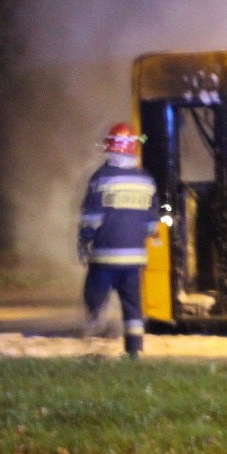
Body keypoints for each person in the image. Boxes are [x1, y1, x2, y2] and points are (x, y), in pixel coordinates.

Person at [78, 122, 158, 358]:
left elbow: (91, 217)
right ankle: (134, 350)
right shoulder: (146, 180)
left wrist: (85, 240)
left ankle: (95, 322)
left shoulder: (101, 178)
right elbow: (151, 223)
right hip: (134, 259)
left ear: (111, 147)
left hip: (105, 256)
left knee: (94, 291)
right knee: (132, 306)